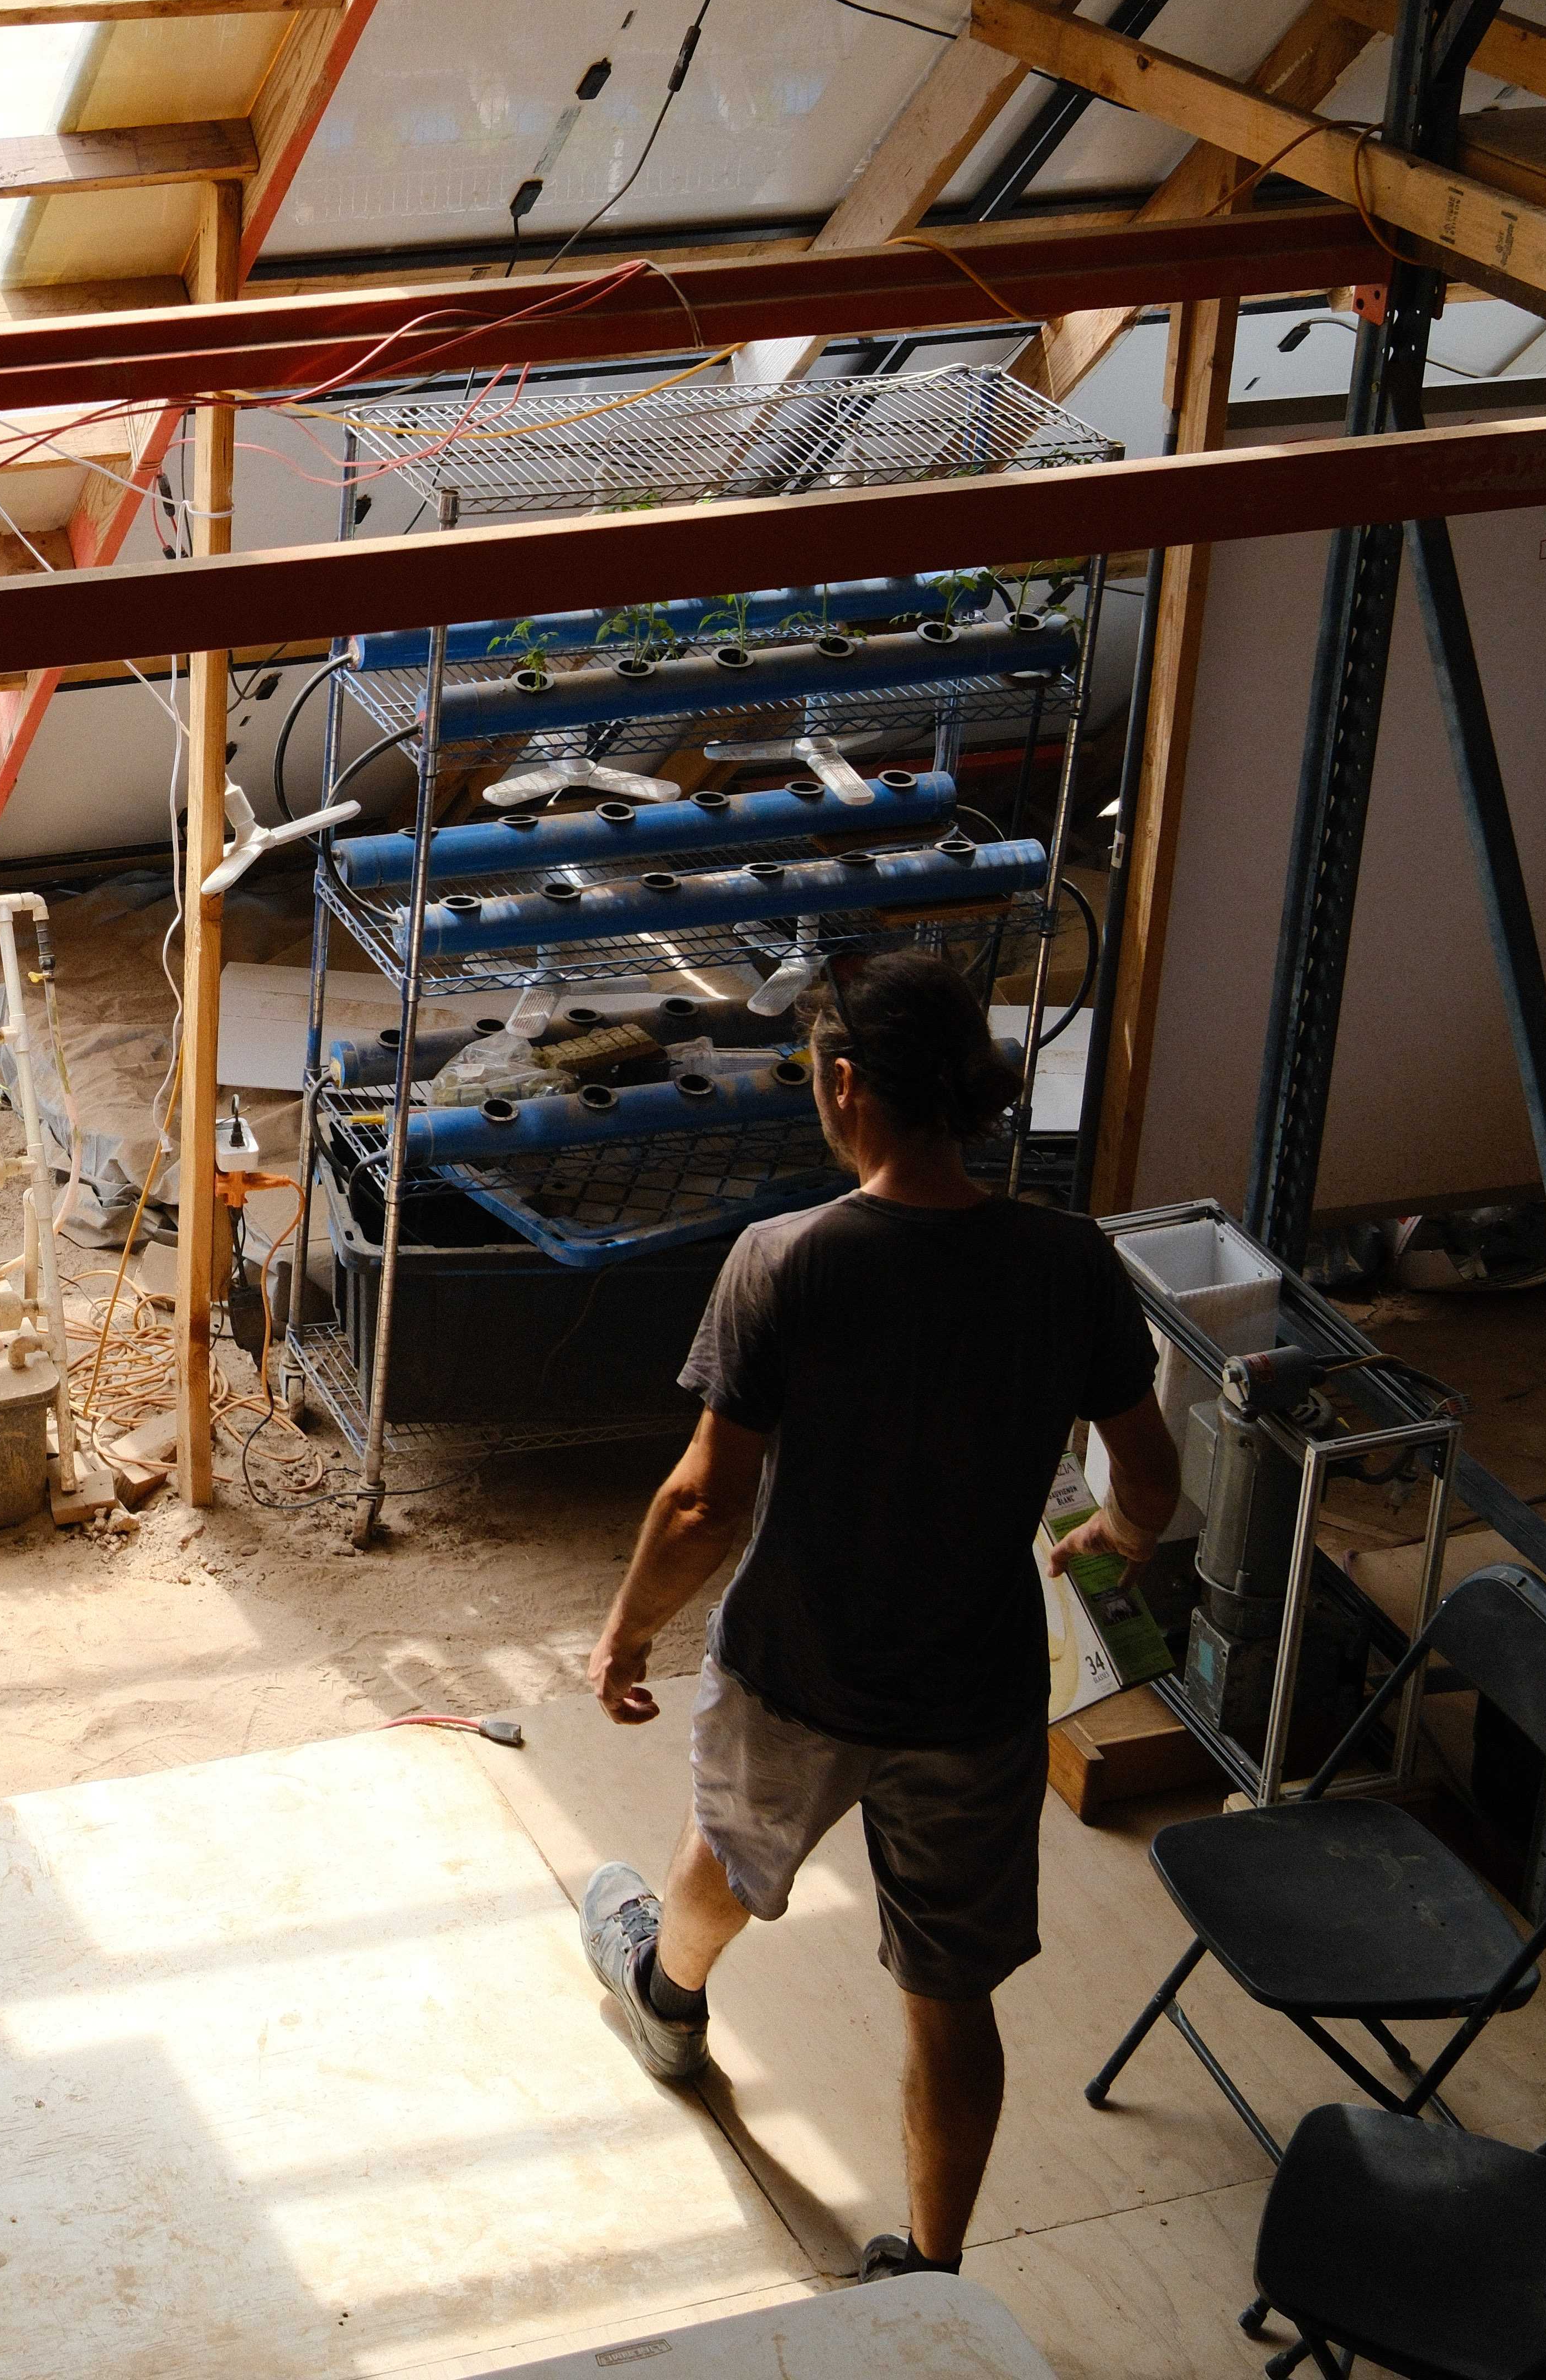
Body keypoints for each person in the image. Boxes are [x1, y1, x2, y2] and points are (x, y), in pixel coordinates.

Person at [574, 946, 1178, 2281]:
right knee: (948, 1986)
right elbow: (1150, 1474)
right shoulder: (1069, 1258)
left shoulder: (785, 1259)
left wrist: (628, 1631)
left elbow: (700, 1505)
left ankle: (667, 2002)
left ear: (844, 1085)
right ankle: (930, 2265)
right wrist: (1116, 1537)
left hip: (799, 1664)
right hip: (975, 1694)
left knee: (729, 1846)